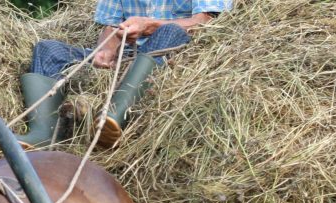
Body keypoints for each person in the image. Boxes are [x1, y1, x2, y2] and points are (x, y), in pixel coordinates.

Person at [16, 0, 233, 149]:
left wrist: (151, 26)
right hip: (129, 53)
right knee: (48, 50)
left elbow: (205, 22)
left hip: (178, 52)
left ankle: (113, 119)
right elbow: (111, 27)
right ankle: (44, 134)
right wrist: (106, 50)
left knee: (170, 31)